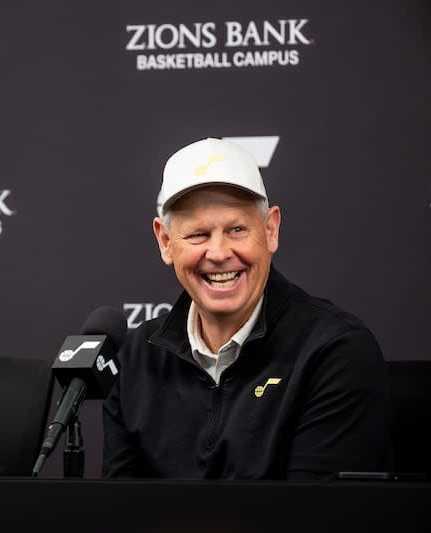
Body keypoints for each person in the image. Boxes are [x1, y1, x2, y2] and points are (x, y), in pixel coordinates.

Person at [102, 137, 392, 479]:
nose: (219, 252)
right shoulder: (138, 357)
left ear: (270, 230)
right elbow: (119, 513)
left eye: (237, 229)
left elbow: (319, 519)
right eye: (198, 234)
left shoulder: (334, 352)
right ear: (165, 242)